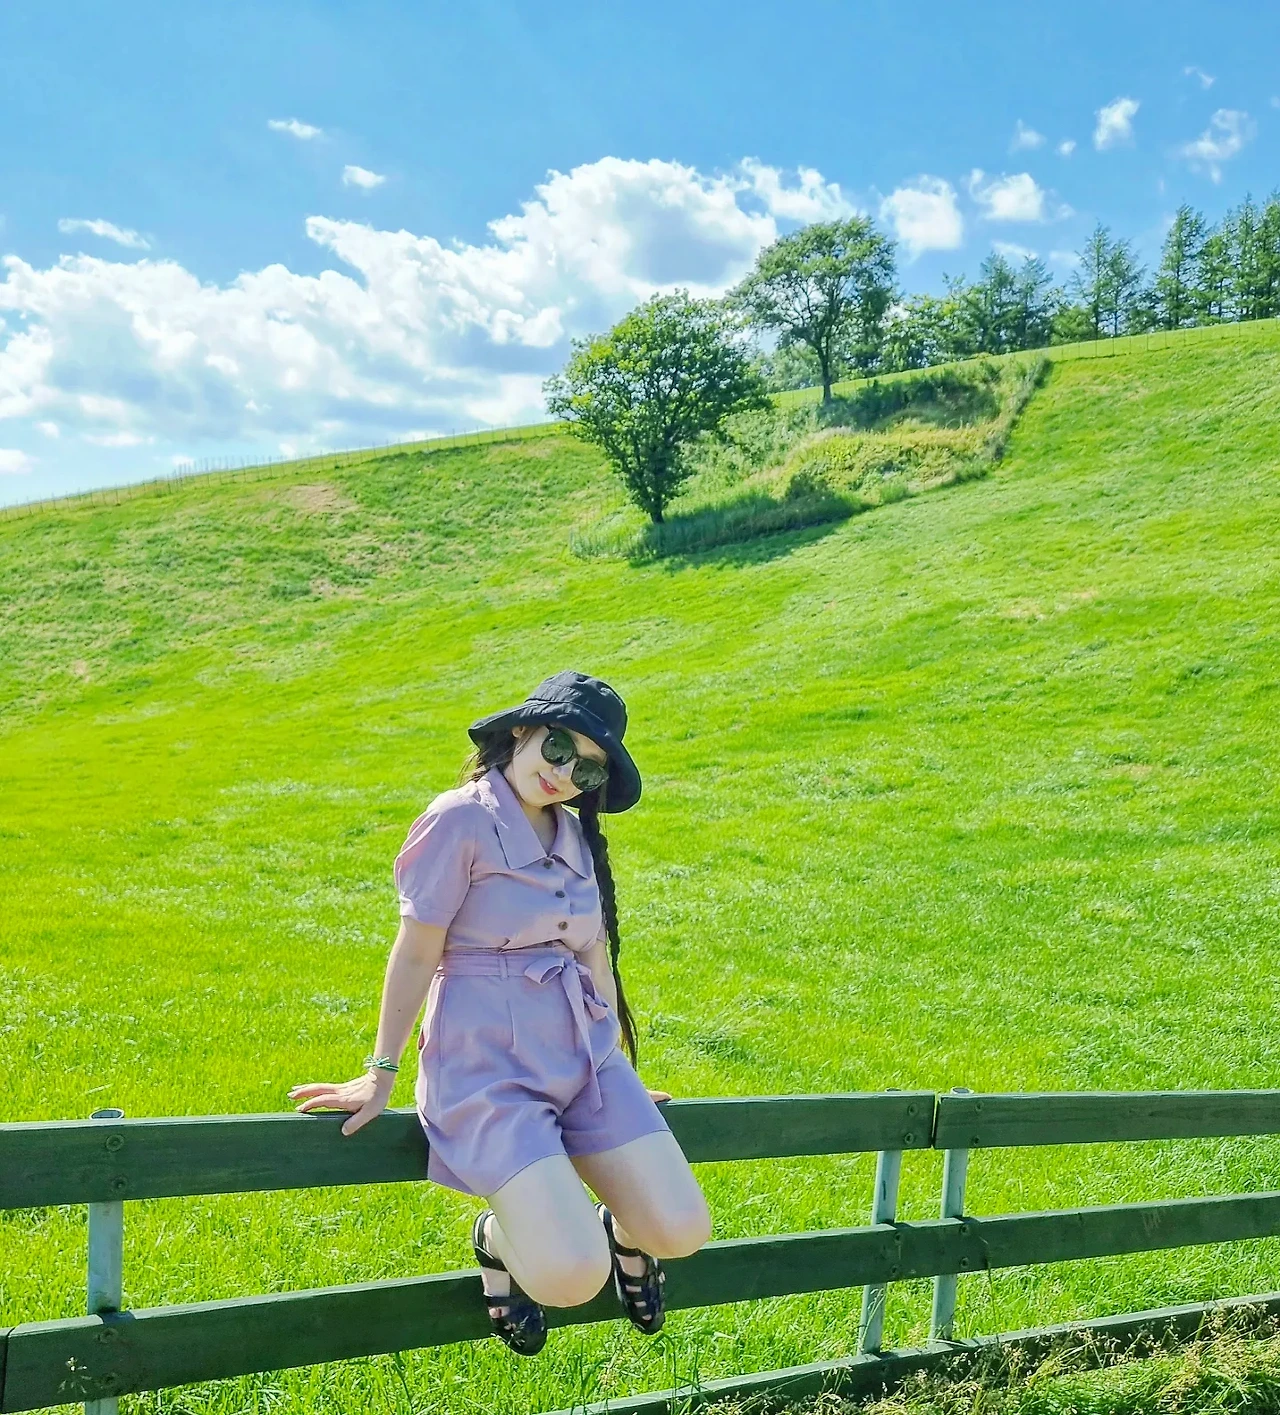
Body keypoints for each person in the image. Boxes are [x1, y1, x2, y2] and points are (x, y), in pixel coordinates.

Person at [287, 670, 711, 1356]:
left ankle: (625, 1232)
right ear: (522, 730)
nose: (564, 774)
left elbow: (592, 957)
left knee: (683, 1230)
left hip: (584, 1060)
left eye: (586, 768)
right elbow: (416, 951)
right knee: (571, 1276)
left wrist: (619, 1070)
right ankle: (497, 1239)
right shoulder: (460, 819)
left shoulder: (574, 836)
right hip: (487, 1066)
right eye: (558, 748)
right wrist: (380, 1072)